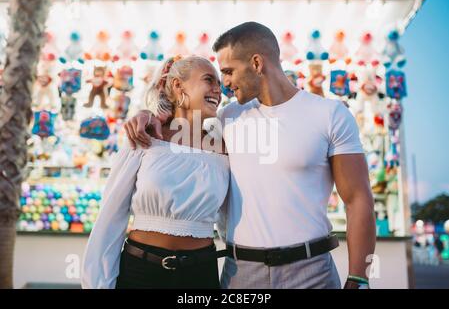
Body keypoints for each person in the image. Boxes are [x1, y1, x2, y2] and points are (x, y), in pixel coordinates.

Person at [124, 22, 376, 289]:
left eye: (229, 72)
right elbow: (179, 129)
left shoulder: (330, 114)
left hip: (311, 272)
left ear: (256, 63)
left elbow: (358, 198)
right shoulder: (226, 118)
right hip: (241, 275)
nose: (225, 85)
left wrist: (359, 277)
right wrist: (149, 115)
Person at [81, 55, 230, 289]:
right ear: (178, 85)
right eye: (209, 80)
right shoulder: (145, 137)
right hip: (140, 271)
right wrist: (98, 284)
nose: (217, 90)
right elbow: (111, 217)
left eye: (219, 84)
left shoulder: (225, 147)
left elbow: (230, 221)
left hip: (200, 275)